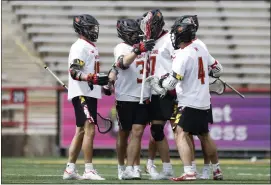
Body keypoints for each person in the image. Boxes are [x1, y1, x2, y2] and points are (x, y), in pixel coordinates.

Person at [147, 16, 223, 181]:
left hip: (189, 100)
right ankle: (216, 170)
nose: (173, 36)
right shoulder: (201, 47)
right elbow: (218, 69)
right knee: (204, 134)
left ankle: (189, 171)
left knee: (180, 133)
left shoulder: (183, 54)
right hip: (204, 100)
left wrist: (159, 83)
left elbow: (172, 82)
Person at [62, 14, 109, 180]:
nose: (93, 31)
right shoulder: (80, 46)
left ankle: (70, 169)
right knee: (89, 129)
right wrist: (91, 78)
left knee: (80, 131)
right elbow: (74, 71)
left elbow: (90, 72)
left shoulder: (91, 46)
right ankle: (88, 170)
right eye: (90, 27)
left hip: (89, 92)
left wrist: (102, 85)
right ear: (82, 29)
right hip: (82, 93)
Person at [109, 18, 155, 180]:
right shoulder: (121, 47)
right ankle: (121, 166)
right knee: (123, 133)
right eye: (132, 33)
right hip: (126, 96)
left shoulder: (142, 46)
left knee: (137, 132)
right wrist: (137, 50)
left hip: (143, 96)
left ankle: (132, 167)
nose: (136, 35)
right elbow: (123, 63)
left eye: (137, 32)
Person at [139, 9, 175, 180]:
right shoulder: (148, 41)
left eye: (149, 26)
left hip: (170, 91)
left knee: (183, 131)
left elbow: (179, 64)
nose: (147, 29)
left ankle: (203, 168)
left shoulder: (169, 40)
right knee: (156, 130)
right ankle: (155, 165)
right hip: (153, 91)